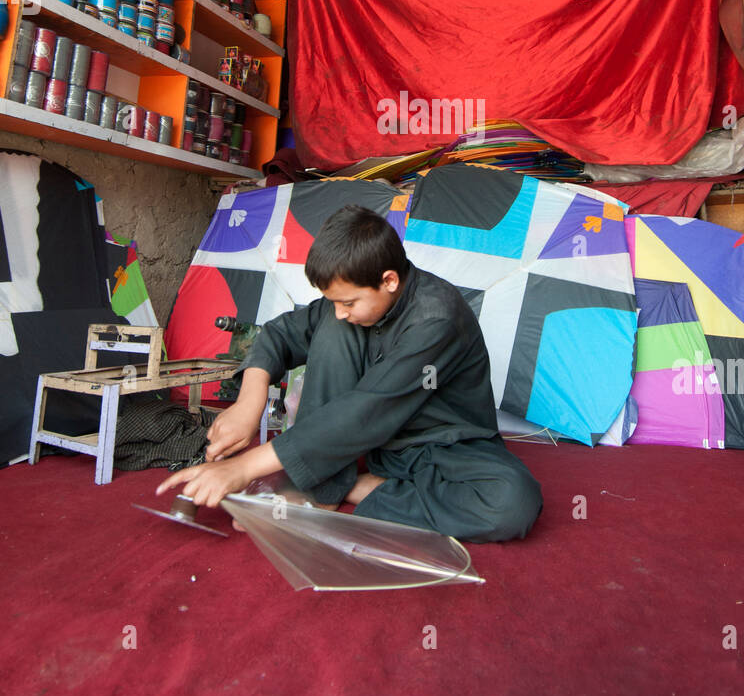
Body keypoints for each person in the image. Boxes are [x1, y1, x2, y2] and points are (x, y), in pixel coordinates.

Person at [157, 205, 543, 543]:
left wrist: (242, 467)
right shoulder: (348, 301)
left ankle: (352, 486)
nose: (341, 310)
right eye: (335, 301)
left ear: (389, 280)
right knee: (336, 329)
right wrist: (248, 402)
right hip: (378, 445)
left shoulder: (437, 317)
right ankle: (321, 485)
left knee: (512, 503)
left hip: (447, 445)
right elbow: (280, 333)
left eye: (349, 301)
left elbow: (367, 410)